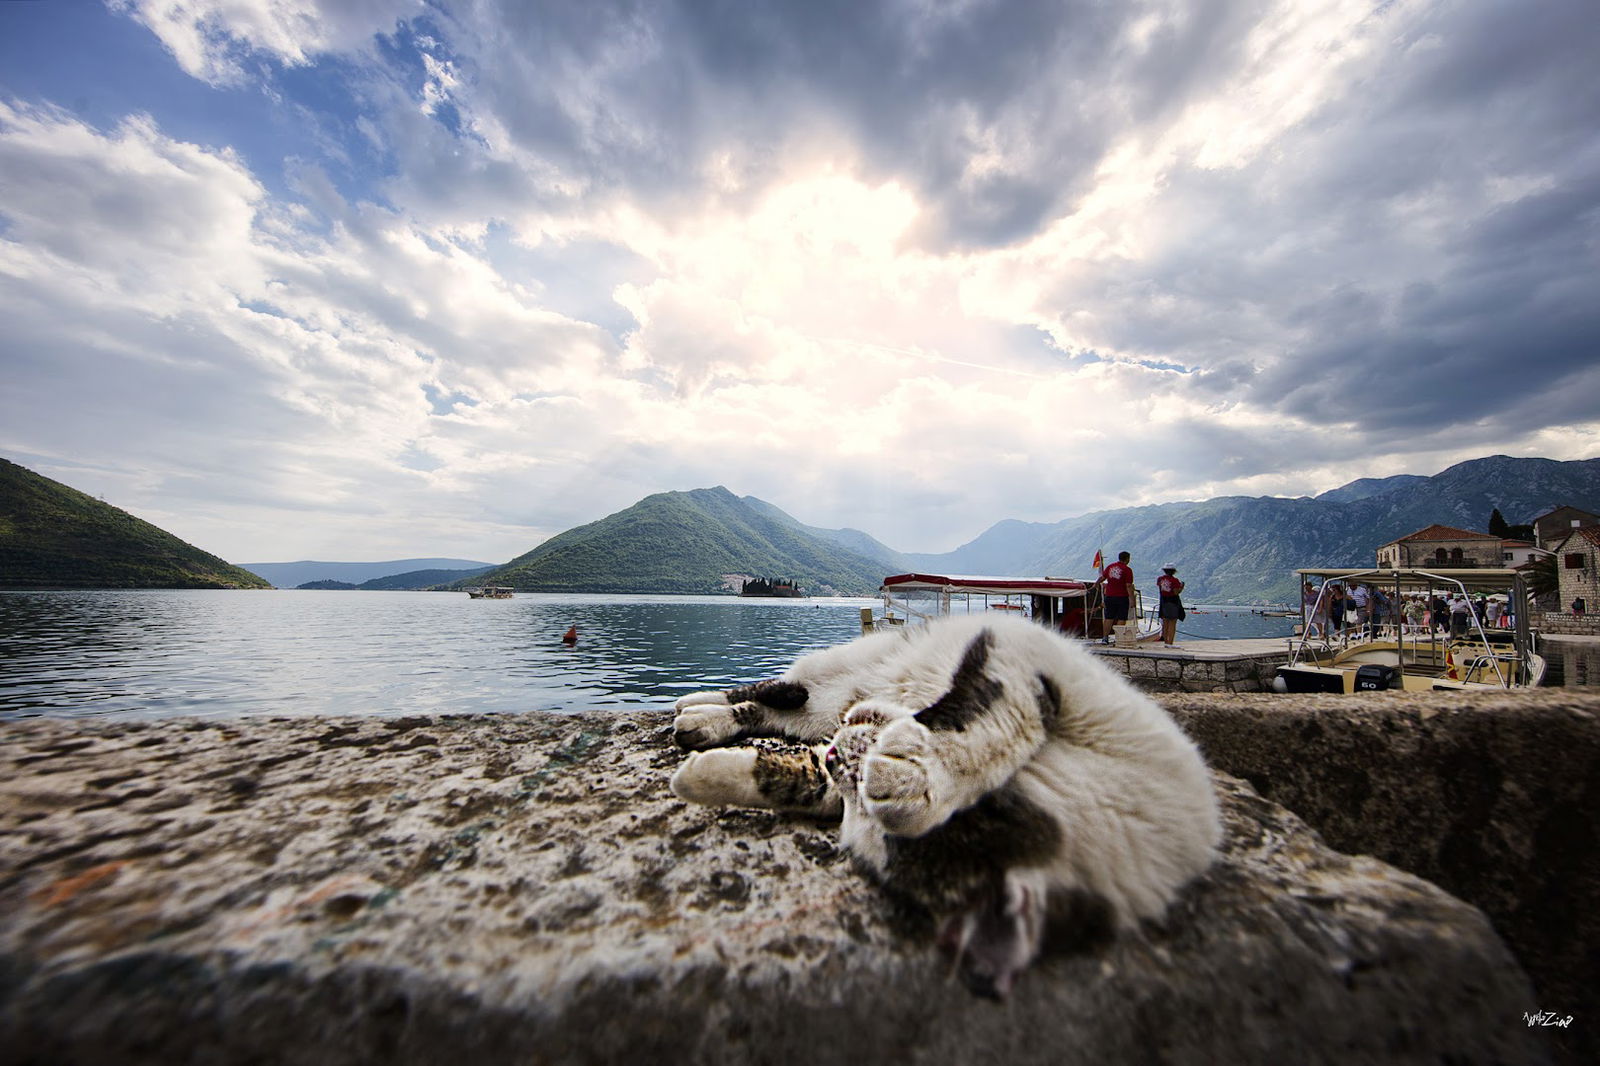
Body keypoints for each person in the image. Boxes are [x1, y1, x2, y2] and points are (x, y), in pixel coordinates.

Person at [1095, 551, 1134, 643]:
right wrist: (1132, 599)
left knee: (1109, 618)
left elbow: (1102, 578)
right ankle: (1118, 638)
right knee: (1121, 618)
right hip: (1122, 597)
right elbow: (1128, 585)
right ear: (1127, 559)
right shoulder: (1127, 570)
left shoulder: (1110, 567)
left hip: (1109, 596)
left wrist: (1096, 584)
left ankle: (1105, 638)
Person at [1156, 564, 1185, 646]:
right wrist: (1181, 588)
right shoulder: (1175, 580)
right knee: (1172, 623)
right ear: (1173, 571)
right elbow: (1176, 592)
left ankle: (1165, 642)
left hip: (1163, 602)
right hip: (1172, 602)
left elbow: (1161, 589)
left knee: (1165, 623)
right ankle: (1170, 643)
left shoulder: (1160, 579)